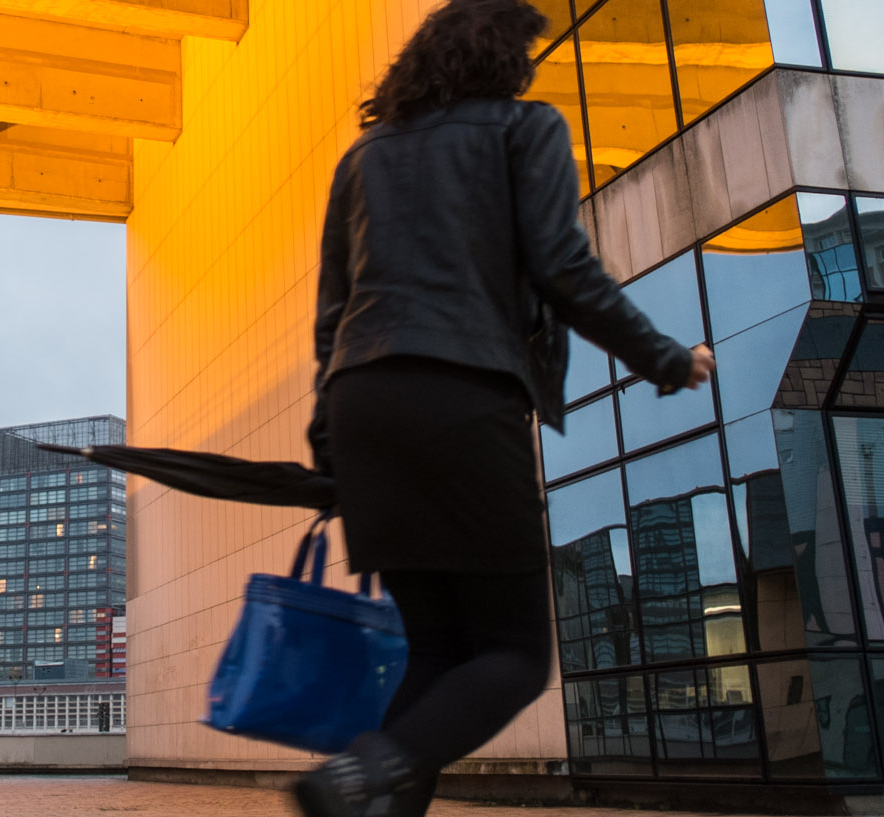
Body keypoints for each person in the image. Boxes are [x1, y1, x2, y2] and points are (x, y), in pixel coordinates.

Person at [295, 2, 716, 815]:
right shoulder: (525, 129)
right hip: (462, 391)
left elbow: (329, 317)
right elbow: (564, 267)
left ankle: (368, 785)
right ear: (504, 61)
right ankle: (360, 768)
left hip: (364, 404)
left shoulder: (363, 158)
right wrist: (667, 357)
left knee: (439, 650)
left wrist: (330, 446)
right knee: (518, 653)